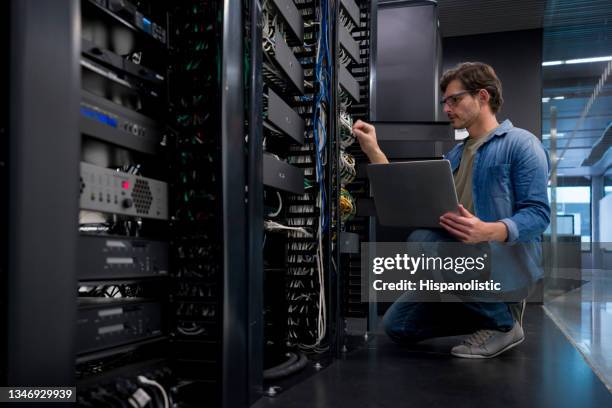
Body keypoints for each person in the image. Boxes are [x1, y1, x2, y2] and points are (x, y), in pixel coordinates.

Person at [352, 62, 550, 358]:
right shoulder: (454, 155)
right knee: (398, 326)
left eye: (454, 100)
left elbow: (538, 215)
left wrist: (488, 230)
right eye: (445, 101)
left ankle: (504, 321)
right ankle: (491, 313)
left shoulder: (521, 144)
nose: (447, 108)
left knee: (421, 241)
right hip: (462, 266)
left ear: (483, 96)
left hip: (501, 263)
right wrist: (374, 151)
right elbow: (407, 198)